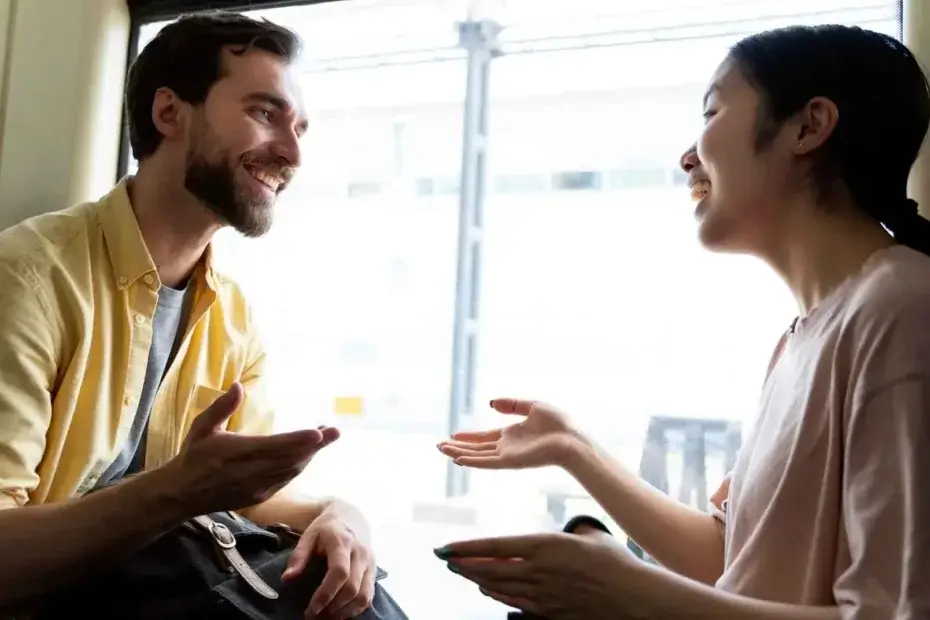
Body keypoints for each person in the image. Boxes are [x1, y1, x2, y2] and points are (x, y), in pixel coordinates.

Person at [436, 24, 930, 619]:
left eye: (713, 111)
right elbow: (733, 561)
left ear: (808, 127)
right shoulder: (808, 334)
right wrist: (575, 450)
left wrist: (628, 590)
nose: (687, 156)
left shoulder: (902, 309)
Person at [0, 12, 376, 620]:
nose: (292, 152)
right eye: (264, 113)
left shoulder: (232, 312)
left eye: (300, 126)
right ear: (170, 113)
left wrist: (338, 513)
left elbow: (249, 498)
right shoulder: (27, 279)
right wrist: (176, 491)